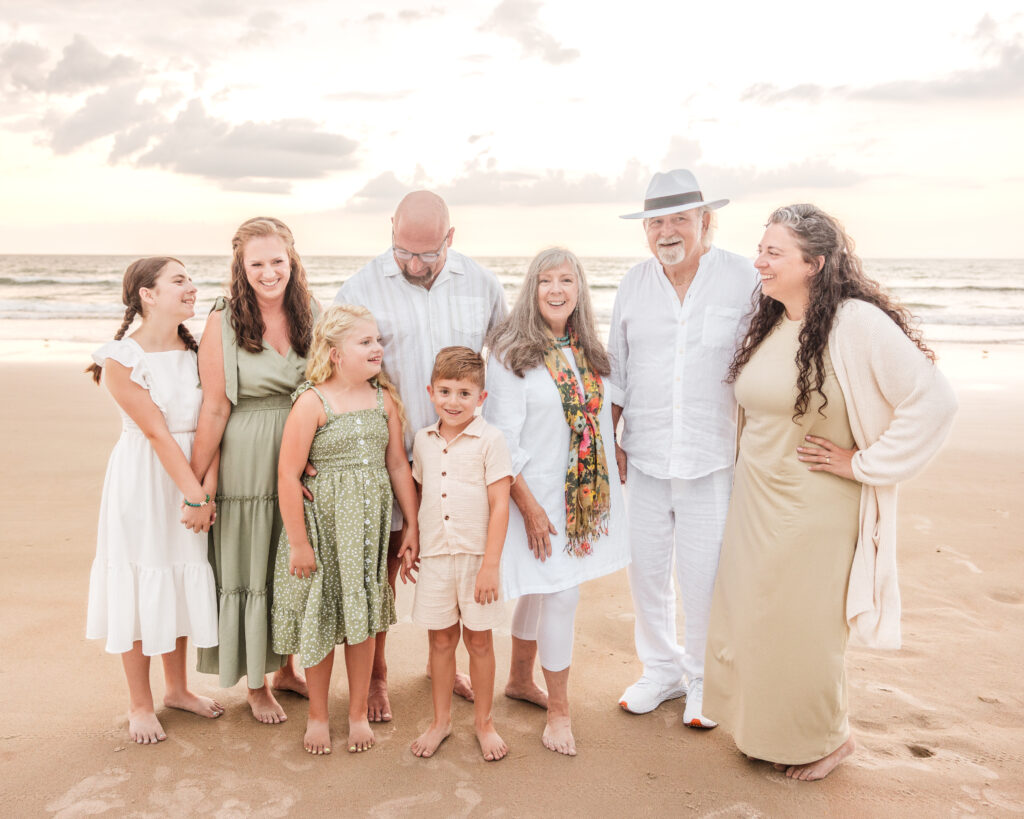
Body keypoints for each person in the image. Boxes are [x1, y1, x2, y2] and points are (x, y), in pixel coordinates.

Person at [703, 204, 957, 780]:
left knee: (807, 629)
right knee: (758, 619)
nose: (759, 261)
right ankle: (765, 731)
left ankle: (828, 740)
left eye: (774, 252)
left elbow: (935, 401)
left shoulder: (855, 323)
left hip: (815, 506)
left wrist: (866, 463)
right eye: (760, 249)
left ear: (814, 263)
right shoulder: (773, 321)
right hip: (756, 502)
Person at [333, 190, 510, 721]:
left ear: (450, 240)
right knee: (383, 571)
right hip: (385, 456)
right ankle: (377, 677)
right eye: (401, 251)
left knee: (454, 565)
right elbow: (335, 369)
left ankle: (442, 665)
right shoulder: (360, 287)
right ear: (391, 230)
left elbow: (502, 368)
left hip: (458, 459)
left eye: (426, 255)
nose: (411, 264)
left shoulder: (482, 285)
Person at [609, 169, 758, 727]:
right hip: (643, 454)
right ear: (646, 229)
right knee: (646, 572)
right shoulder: (633, 284)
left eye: (679, 219)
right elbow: (618, 371)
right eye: (656, 222)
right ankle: (661, 672)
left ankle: (701, 679)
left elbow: (769, 359)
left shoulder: (743, 276)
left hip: (711, 455)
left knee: (703, 576)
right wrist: (610, 443)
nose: (667, 231)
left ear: (704, 221)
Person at [484, 247, 630, 755]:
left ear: (580, 289)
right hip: (536, 494)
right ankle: (560, 714)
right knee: (561, 593)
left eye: (566, 279)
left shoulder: (589, 350)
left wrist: (618, 459)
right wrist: (528, 506)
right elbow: (502, 438)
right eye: (546, 280)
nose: (556, 290)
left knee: (543, 589)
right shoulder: (510, 354)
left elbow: (607, 416)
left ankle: (520, 681)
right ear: (531, 288)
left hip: (581, 496)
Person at [85, 257, 223, 744]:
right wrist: (195, 495)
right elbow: (156, 432)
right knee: (144, 580)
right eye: (179, 280)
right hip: (144, 482)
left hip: (195, 473)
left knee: (181, 574)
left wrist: (206, 485)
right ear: (147, 293)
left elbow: (217, 416)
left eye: (191, 280)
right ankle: (139, 703)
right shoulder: (121, 357)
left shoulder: (200, 349)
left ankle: (179, 689)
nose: (191, 287)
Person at [271, 304, 419, 755]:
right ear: (334, 353)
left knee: (363, 623)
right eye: (366, 342)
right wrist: (298, 542)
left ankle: (356, 713)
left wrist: (412, 523)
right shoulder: (313, 401)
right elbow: (288, 475)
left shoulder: (383, 400)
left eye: (378, 340)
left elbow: (397, 464)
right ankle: (318, 715)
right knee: (320, 619)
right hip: (321, 532)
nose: (378, 348)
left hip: (368, 535)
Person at [191, 217, 318, 723]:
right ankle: (256, 685)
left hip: (301, 449)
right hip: (246, 453)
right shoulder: (223, 318)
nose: (269, 273)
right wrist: (195, 486)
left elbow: (325, 385)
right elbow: (215, 408)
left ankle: (286, 668)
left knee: (286, 561)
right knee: (249, 565)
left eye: (277, 262)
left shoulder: (311, 310)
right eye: (257, 264)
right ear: (241, 268)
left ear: (293, 261)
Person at [409, 347, 513, 762]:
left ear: (481, 398)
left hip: (475, 559)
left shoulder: (491, 440)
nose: (454, 402)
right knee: (440, 641)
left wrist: (490, 565)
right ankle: (441, 722)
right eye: (446, 392)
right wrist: (413, 537)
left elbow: (501, 505)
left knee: (479, 641)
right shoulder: (423, 439)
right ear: (431, 391)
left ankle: (484, 723)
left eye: (465, 394)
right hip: (436, 556)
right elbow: (421, 493)